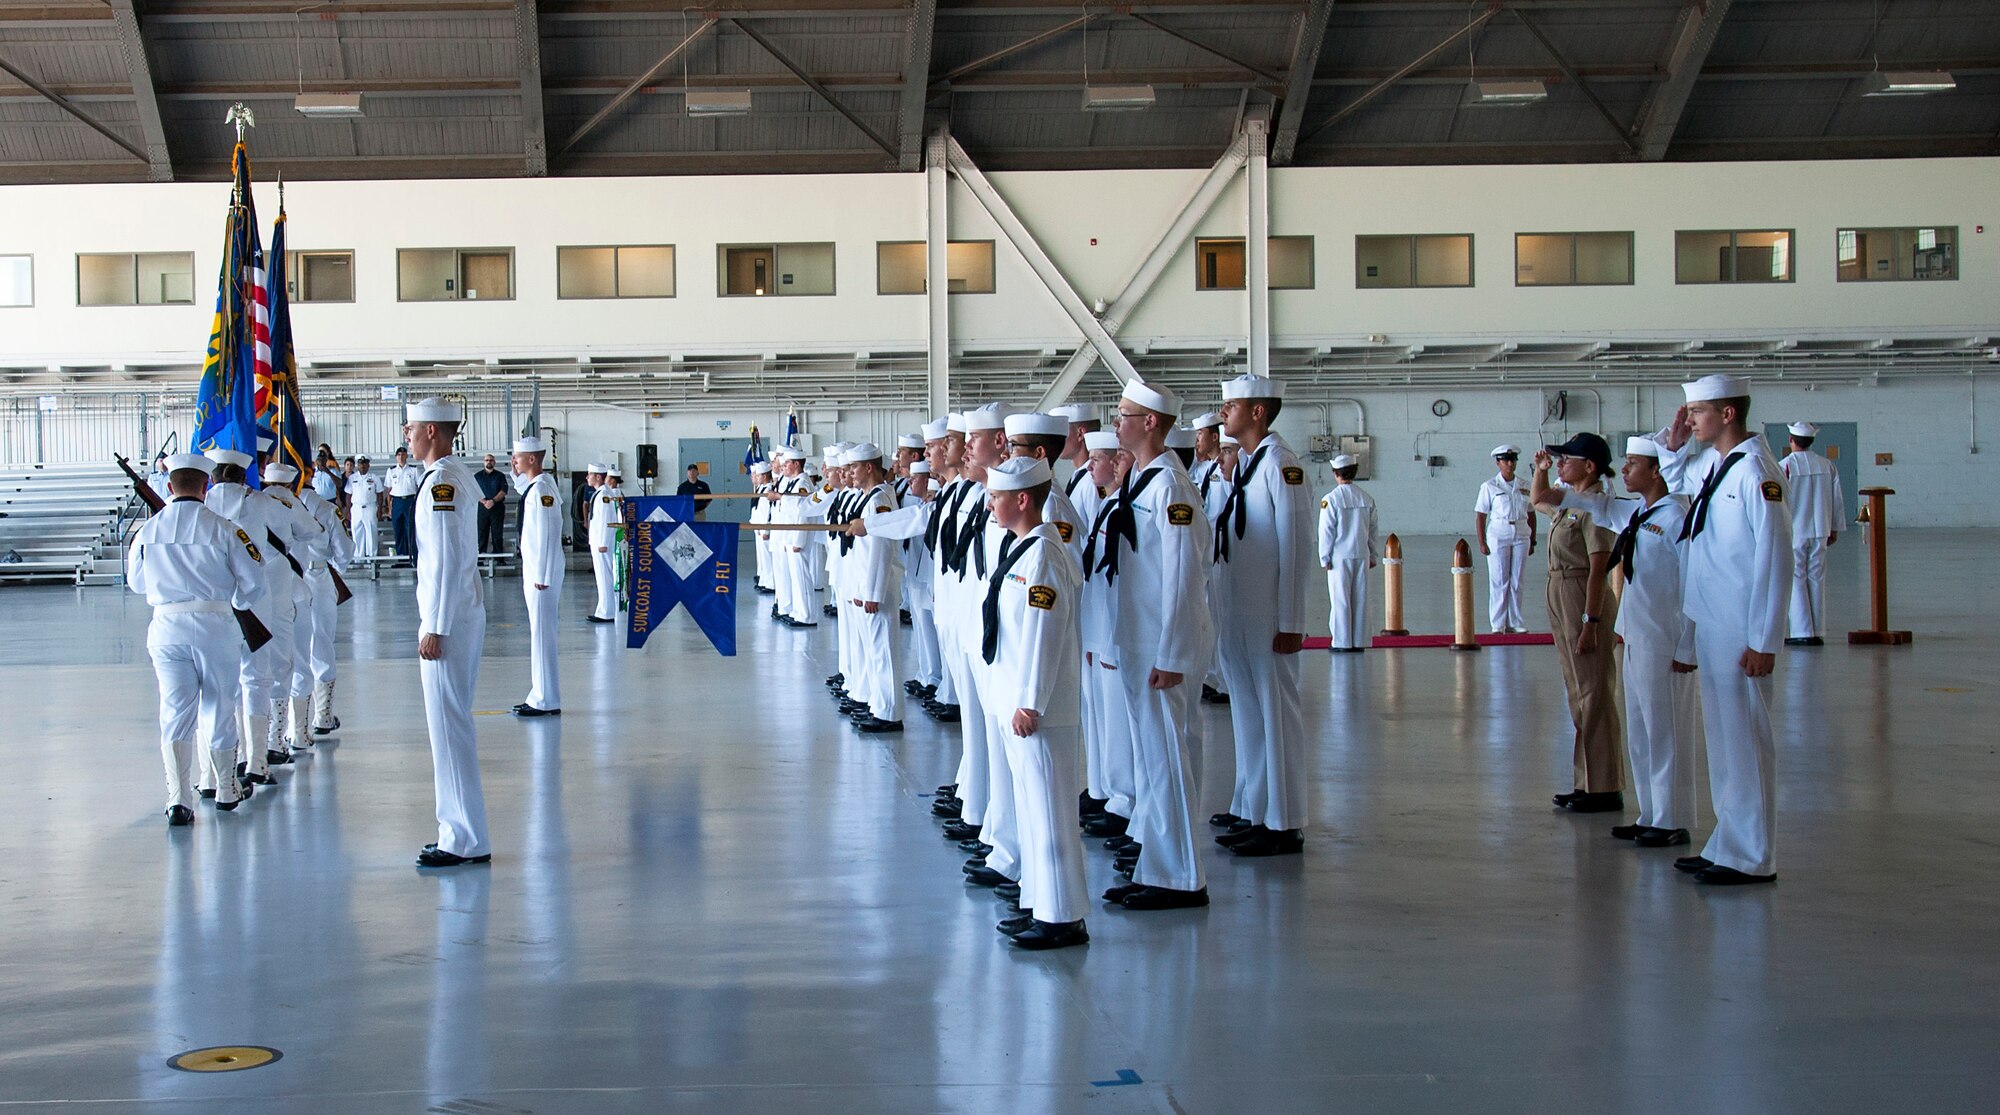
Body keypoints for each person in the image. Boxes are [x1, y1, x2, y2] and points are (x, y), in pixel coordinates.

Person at [1656, 373, 1792, 885]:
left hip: (1741, 627)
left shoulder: (1757, 470)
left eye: (1698, 412)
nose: (1689, 420)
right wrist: (1673, 448)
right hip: (1712, 622)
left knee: (1747, 743)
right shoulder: (1717, 464)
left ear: (1728, 414)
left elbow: (1776, 559)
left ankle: (1754, 856)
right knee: (1724, 741)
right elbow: (1678, 496)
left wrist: (1765, 639)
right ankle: (1729, 843)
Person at [1535, 438, 1701, 849]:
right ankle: (1652, 814)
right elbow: (1568, 499)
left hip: (1666, 634)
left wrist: (1688, 647)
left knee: (1664, 730)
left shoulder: (1677, 515)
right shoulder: (1637, 511)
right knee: (1643, 730)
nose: (1623, 472)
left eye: (1633, 464)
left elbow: (1695, 583)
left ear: (1658, 471)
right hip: (1638, 630)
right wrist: (1547, 469)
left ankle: (1671, 819)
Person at [1102, 380, 1214, 909]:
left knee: (1167, 758)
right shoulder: (1143, 480)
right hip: (1138, 637)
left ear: (1150, 422)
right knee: (1153, 760)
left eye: (1124, 413)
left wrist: (1173, 655)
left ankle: (1179, 877)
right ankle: (1159, 862)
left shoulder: (1171, 487)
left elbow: (1184, 576)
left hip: (1160, 644)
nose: (1116, 421)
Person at [980, 456, 1091, 950]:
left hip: (1039, 709)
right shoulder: (1025, 549)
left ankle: (1063, 916)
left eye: (997, 496)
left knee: (1050, 811)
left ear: (1022, 499)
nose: (991, 504)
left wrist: (1029, 702)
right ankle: (1040, 902)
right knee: (1031, 808)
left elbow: (1044, 636)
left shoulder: (1045, 555)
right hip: (1019, 702)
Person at [1208, 374, 1315, 858]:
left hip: (1271, 614)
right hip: (1240, 610)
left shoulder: (1282, 465)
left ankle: (1285, 821)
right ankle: (1255, 808)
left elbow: (1296, 545)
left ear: (1258, 412)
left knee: (1277, 714)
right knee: (1249, 713)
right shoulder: (1248, 465)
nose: (1223, 411)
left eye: (1232, 405)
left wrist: (1292, 620)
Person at [127, 453, 266, 824]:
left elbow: (137, 584)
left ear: (169, 487)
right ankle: (224, 789)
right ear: (206, 486)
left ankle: (177, 799)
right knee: (220, 703)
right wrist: (235, 603)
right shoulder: (224, 529)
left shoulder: (147, 531)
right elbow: (255, 581)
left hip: (166, 627)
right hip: (215, 625)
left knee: (174, 711)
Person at [404, 397, 492, 868]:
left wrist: (435, 627)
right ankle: (467, 834)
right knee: (450, 724)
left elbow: (447, 559)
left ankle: (459, 837)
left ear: (433, 431)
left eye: (412, 429)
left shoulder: (443, 482)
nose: (407, 436)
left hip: (449, 618)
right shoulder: (451, 477)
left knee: (448, 724)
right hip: (457, 612)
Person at [1533, 433, 1626, 815]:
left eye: (1565, 459)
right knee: (1577, 691)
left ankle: (1605, 787)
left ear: (1589, 466)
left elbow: (1598, 568)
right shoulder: (1571, 503)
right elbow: (1538, 499)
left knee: (1594, 692)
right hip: (1561, 590)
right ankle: (1586, 781)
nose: (1559, 464)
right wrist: (1539, 469)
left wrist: (1591, 621)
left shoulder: (1597, 507)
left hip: (1582, 595)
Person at [203, 445, 297, 788]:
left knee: (220, 686)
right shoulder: (260, 502)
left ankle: (222, 769)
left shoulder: (204, 505)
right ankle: (257, 762)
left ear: (211, 477)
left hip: (215, 600)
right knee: (257, 678)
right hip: (255, 596)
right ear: (246, 475)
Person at [835, 444, 905, 733]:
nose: (850, 472)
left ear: (869, 467)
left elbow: (880, 549)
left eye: (855, 467)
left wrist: (872, 593)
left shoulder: (880, 500)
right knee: (871, 648)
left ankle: (889, 713)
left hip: (877, 588)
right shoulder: (869, 498)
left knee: (883, 650)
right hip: (863, 584)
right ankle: (878, 704)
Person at [295, 462, 350, 734]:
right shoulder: (326, 508)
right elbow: (344, 552)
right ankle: (322, 715)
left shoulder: (273, 505)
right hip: (318, 577)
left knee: (291, 646)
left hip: (286, 579)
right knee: (321, 643)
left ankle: (294, 726)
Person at [511, 436, 563, 717]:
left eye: (518, 458)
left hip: (541, 575)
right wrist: (515, 473)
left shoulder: (542, 489)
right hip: (536, 572)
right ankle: (540, 694)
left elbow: (547, 531)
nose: (514, 462)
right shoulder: (538, 486)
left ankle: (545, 699)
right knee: (539, 634)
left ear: (531, 459)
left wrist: (542, 573)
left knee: (542, 636)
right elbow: (525, 490)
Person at [1780, 422, 1842, 646]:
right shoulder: (1826, 465)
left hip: (1796, 529)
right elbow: (1836, 499)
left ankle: (1801, 631)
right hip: (1820, 529)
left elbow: (1780, 502)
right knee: (1817, 577)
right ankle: (1817, 630)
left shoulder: (1784, 466)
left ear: (1791, 440)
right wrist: (1834, 527)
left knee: (1796, 577)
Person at [1317, 453, 1380, 653]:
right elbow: (1372, 530)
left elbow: (1327, 532)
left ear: (1336, 474)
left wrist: (1324, 557)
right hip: (1361, 554)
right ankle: (1360, 641)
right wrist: (1372, 554)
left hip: (1339, 557)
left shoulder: (1330, 500)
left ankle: (1342, 641)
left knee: (1340, 600)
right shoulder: (1366, 498)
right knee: (1361, 598)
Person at [1476, 445, 1536, 633]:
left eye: (1513, 460)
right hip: (1499, 533)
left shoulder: (1525, 485)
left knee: (1517, 580)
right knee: (1499, 580)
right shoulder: (1490, 486)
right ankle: (1498, 624)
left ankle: (1515, 622)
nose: (1510, 464)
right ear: (1498, 463)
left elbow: (1531, 513)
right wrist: (1482, 542)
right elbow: (1481, 515)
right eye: (1505, 460)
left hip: (1521, 532)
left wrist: (1533, 539)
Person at [587, 466, 624, 624]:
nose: (587, 477)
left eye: (590, 475)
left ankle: (607, 612)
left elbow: (605, 519)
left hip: (602, 543)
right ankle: (604, 609)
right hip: (598, 541)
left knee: (604, 577)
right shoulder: (602, 493)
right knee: (602, 577)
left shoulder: (604, 495)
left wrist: (602, 542)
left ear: (598, 477)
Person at [385, 447, 423, 565]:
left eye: (403, 454)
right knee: (398, 531)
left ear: (407, 456)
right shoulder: (391, 471)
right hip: (396, 502)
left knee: (410, 530)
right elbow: (388, 491)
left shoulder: (413, 470)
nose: (401, 457)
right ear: (396, 457)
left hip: (409, 501)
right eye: (399, 454)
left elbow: (420, 487)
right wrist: (390, 508)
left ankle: (412, 558)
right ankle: (401, 558)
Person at [346, 456, 383, 559]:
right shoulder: (352, 478)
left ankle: (372, 558)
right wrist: (348, 510)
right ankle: (359, 558)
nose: (362, 466)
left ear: (368, 465)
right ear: (358, 465)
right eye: (360, 463)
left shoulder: (374, 477)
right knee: (357, 533)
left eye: (365, 463)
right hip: (356, 508)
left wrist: (379, 509)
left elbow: (380, 494)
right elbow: (348, 495)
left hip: (370, 507)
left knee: (371, 533)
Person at [474, 453, 508, 555]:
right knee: (481, 533)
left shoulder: (500, 476)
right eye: (487, 460)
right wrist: (485, 502)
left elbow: (503, 491)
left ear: (494, 462)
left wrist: (493, 501)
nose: (489, 462)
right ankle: (481, 556)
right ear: (483, 462)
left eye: (491, 460)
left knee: (497, 533)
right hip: (482, 508)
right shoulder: (477, 476)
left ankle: (499, 558)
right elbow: (474, 491)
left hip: (497, 508)